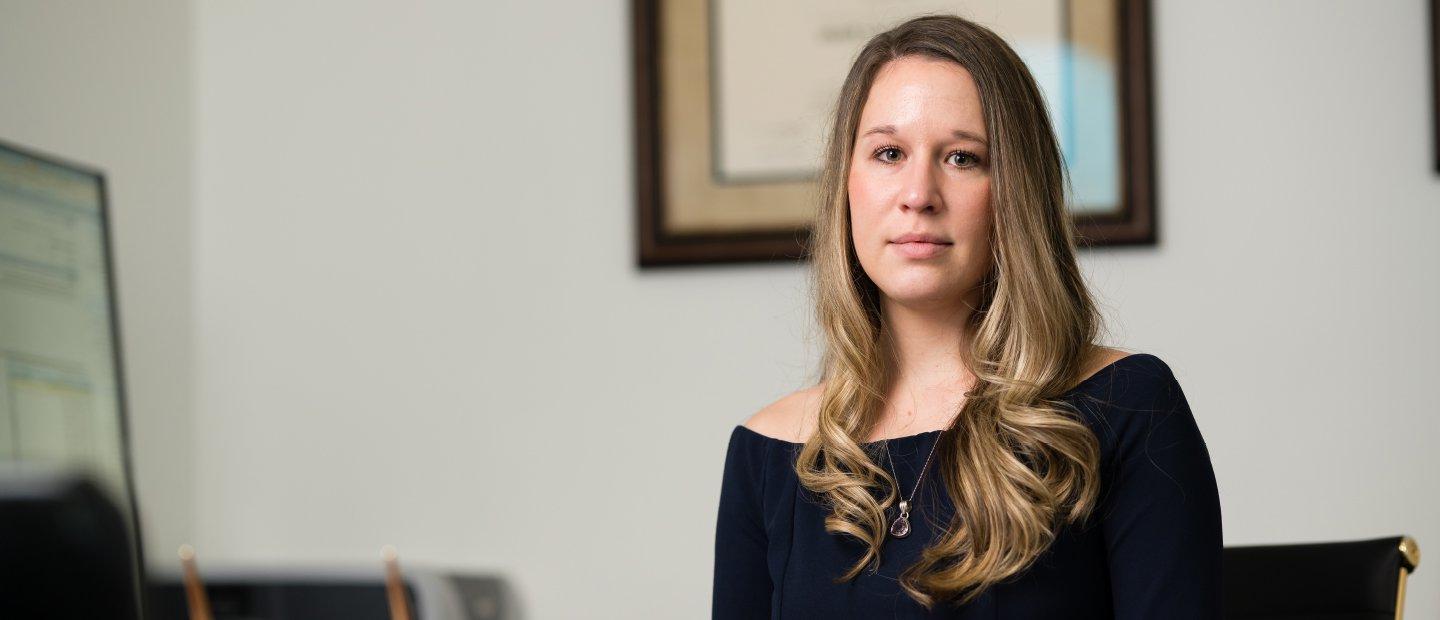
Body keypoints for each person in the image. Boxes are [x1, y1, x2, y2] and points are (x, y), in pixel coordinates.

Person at [712, 14, 1222, 619]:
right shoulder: (766, 452)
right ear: (846, 186)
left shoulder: (1127, 405)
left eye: (961, 157)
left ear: (1015, 191)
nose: (918, 193)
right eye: (888, 152)